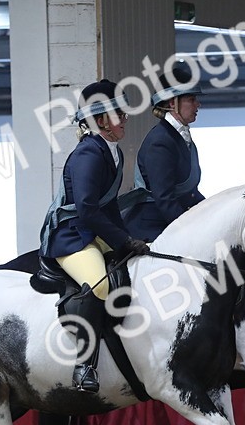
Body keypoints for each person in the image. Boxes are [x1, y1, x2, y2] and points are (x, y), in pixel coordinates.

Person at [40, 79, 149, 393]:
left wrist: (130, 239)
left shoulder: (109, 150)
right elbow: (87, 210)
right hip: (72, 236)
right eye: (120, 114)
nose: (125, 118)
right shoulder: (89, 154)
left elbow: (109, 207)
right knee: (100, 286)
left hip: (92, 230)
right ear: (102, 121)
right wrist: (121, 241)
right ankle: (83, 365)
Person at [122, 62, 204, 241]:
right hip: (154, 227)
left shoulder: (182, 138)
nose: (198, 104)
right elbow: (165, 198)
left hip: (172, 221)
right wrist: (191, 231)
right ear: (172, 103)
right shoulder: (161, 141)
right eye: (191, 99)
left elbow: (192, 193)